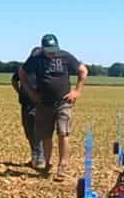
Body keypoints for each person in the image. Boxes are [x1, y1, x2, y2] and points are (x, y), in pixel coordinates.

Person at [18, 34, 88, 181]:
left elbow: (83, 71)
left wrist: (77, 91)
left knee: (63, 133)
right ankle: (48, 164)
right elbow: (22, 73)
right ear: (42, 48)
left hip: (63, 102)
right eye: (49, 50)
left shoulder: (65, 56)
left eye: (54, 49)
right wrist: (31, 92)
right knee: (45, 135)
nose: (52, 52)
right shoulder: (35, 59)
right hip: (43, 103)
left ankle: (63, 165)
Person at [11, 46, 45, 169]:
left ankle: (40, 158)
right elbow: (14, 80)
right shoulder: (24, 68)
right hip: (25, 105)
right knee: (28, 132)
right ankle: (35, 156)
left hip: (39, 106)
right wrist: (20, 91)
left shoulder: (43, 69)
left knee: (38, 132)